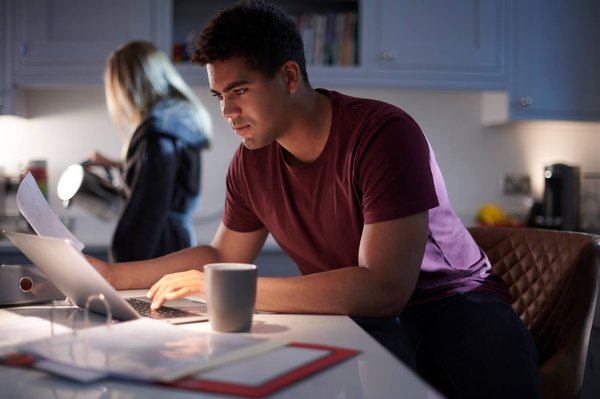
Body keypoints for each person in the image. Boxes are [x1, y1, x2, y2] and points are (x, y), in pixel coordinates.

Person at [89, 2, 541, 397]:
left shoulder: (384, 135)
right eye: (219, 95)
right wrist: (109, 274)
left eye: (240, 91)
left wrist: (224, 288)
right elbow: (223, 254)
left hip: (453, 307)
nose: (226, 111)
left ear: (288, 76)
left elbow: (383, 289)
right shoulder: (250, 161)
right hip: (359, 315)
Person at [87, 40, 212, 262]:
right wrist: (118, 164)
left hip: (157, 248)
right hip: (176, 242)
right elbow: (160, 178)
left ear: (127, 86)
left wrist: (119, 269)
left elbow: (146, 213)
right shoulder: (177, 119)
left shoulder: (157, 135)